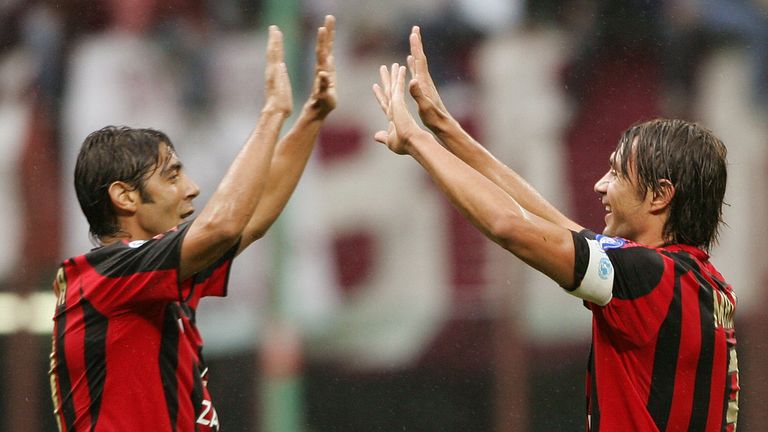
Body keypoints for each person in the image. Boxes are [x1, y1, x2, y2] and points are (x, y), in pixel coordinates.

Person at [372, 26, 738, 431]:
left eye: (617, 174)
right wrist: (444, 127)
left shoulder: (645, 278)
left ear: (660, 196)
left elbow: (510, 226)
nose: (600, 185)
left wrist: (417, 144)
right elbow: (549, 220)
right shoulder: (703, 282)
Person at [48, 15, 336, 431]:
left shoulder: (151, 277)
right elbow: (222, 225)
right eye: (171, 176)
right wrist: (271, 114)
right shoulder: (103, 278)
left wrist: (310, 118)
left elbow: (248, 221)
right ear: (124, 196)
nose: (192, 188)